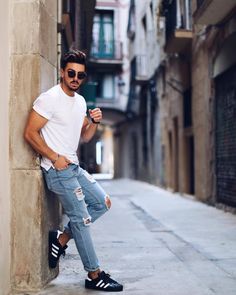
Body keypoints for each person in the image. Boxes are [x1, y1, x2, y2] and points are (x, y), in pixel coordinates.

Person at [24, 49, 123, 292]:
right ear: (62, 72)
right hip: (57, 170)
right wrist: (54, 157)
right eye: (71, 73)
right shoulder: (49, 98)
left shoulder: (79, 102)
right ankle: (94, 274)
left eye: (80, 75)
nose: (75, 78)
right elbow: (29, 133)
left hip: (74, 166)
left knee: (103, 202)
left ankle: (61, 240)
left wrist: (94, 122)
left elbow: (85, 137)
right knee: (81, 219)